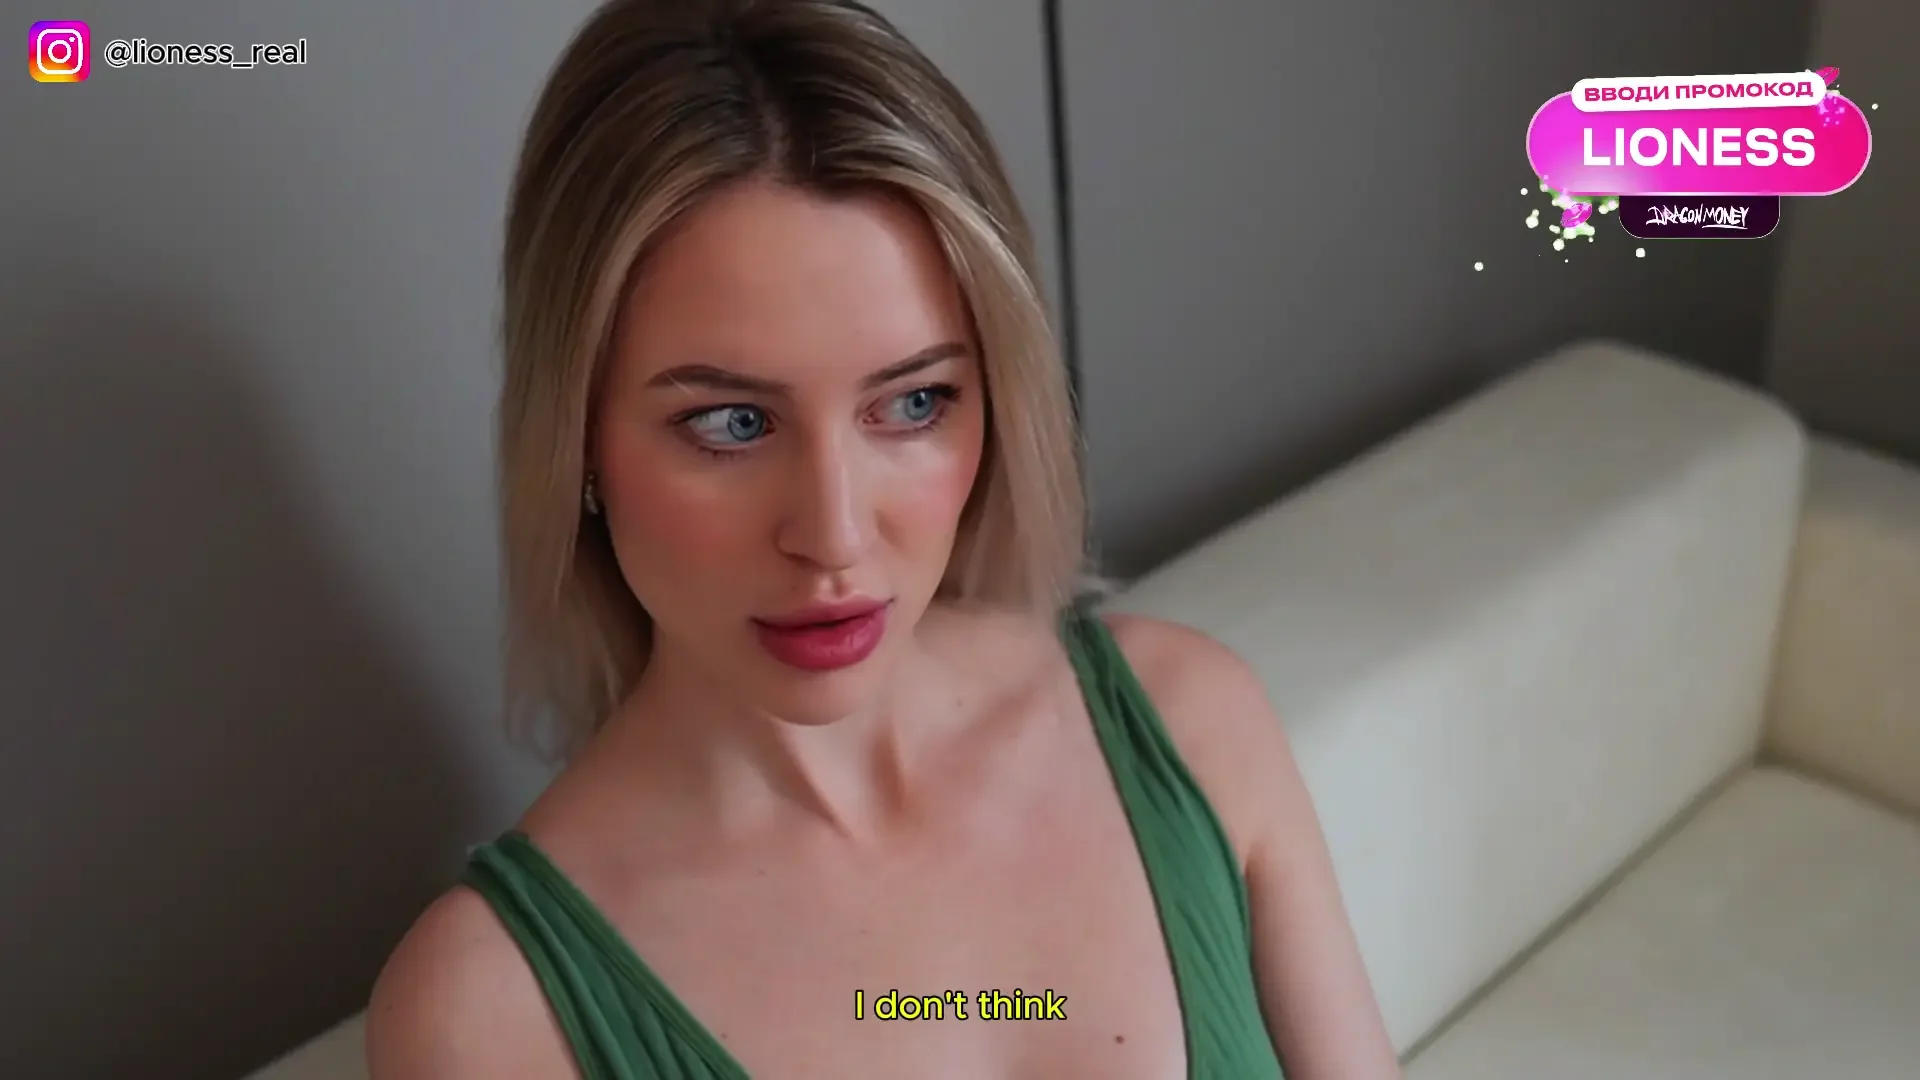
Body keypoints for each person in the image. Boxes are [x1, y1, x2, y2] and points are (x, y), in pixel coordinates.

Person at [366, 1, 1400, 1076]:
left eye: (912, 404)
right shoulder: (488, 1015)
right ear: (576, 437)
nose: (834, 534)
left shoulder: (1194, 722)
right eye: (733, 423)